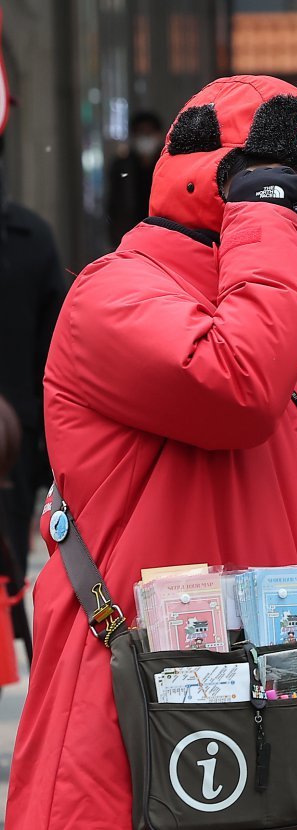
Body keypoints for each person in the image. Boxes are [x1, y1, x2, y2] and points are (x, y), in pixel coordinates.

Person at [7, 75, 297, 827]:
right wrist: (264, 229)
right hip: (134, 738)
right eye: (294, 199)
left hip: (277, 738)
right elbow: (236, 391)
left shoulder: (268, 331)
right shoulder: (115, 294)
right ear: (232, 187)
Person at [0, 139, 66, 663]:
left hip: (13, 432)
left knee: (7, 540)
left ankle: (10, 627)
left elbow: (56, 349)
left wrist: (48, 434)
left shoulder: (30, 238)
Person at [106, 110, 164, 246]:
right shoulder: (122, 166)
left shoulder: (168, 163)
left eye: (149, 133)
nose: (145, 138)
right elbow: (115, 207)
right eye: (141, 133)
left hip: (162, 235)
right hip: (130, 236)